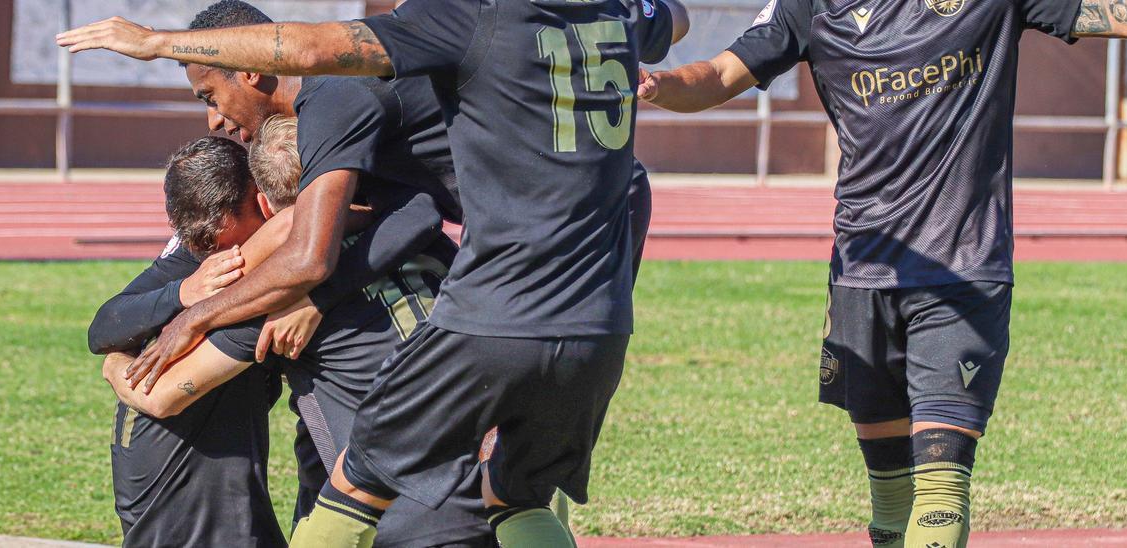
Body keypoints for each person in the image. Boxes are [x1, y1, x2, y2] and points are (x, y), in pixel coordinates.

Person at [58, 1, 689, 546]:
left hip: (508, 294)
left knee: (361, 477)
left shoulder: (359, 85)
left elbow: (308, 249)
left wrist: (154, 42)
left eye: (209, 95)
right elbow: (673, 17)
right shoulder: (599, 9)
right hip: (597, 291)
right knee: (514, 496)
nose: (214, 119)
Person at [632, 0, 1127, 546]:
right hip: (862, 272)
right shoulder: (810, 7)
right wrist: (661, 86)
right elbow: (723, 72)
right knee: (891, 496)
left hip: (962, 271)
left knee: (943, 487)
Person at [102, 119, 494, 547]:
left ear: (265, 205)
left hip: (399, 502)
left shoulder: (267, 298)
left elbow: (160, 395)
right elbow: (417, 211)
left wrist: (115, 363)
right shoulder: (416, 236)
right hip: (497, 458)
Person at [89, 136, 284, 548]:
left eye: (223, 238)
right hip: (179, 499)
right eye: (205, 245)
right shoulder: (204, 260)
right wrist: (182, 293)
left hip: (189, 488)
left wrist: (116, 367)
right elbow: (103, 328)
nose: (221, 256)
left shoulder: (263, 261)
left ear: (261, 200)